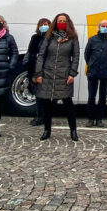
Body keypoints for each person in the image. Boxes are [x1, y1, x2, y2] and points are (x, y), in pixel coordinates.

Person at [33, 13, 80, 141]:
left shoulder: (73, 37)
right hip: (48, 73)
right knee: (47, 104)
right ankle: (47, 130)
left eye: (64, 21)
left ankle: (73, 131)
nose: (62, 23)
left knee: (68, 104)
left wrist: (72, 73)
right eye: (60, 20)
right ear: (56, 22)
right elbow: (41, 55)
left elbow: (76, 56)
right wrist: (38, 73)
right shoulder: (49, 36)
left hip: (64, 74)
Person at [84, 19, 107, 127]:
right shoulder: (92, 39)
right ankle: (90, 119)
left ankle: (99, 119)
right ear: (99, 27)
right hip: (93, 72)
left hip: (106, 72)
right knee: (91, 96)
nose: (105, 28)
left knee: (103, 97)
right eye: (103, 25)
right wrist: (92, 64)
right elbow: (87, 54)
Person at [24, 18, 50, 127]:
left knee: (47, 95)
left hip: (48, 69)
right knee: (39, 94)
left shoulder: (53, 37)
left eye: (48, 24)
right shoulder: (35, 38)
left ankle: (46, 115)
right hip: (36, 68)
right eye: (43, 24)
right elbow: (31, 53)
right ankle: (39, 115)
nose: (45, 26)